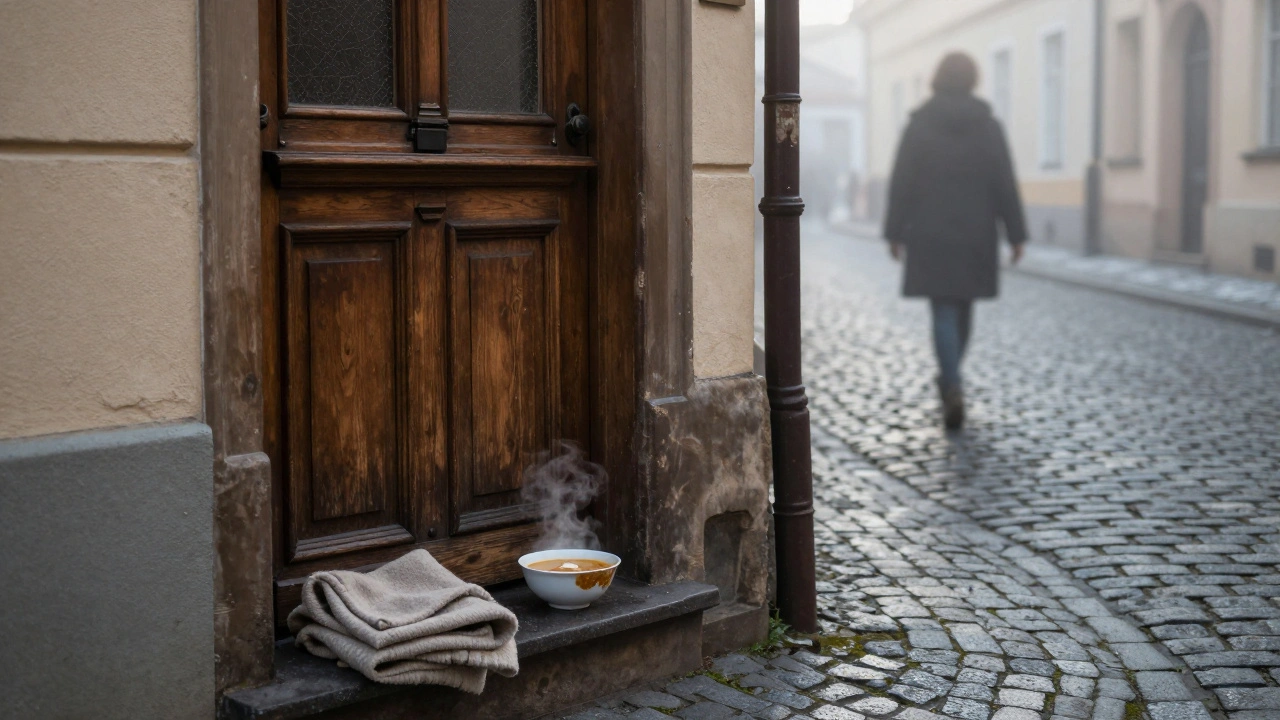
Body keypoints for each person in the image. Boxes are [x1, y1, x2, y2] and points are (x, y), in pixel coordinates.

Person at [883, 51, 1027, 430]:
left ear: (937, 79)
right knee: (963, 308)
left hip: (931, 231)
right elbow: (1004, 182)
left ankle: (952, 382)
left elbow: (902, 182)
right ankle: (952, 380)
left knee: (943, 309)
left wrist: (895, 231)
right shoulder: (989, 126)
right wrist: (1016, 235)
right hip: (976, 231)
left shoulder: (919, 125)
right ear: (973, 80)